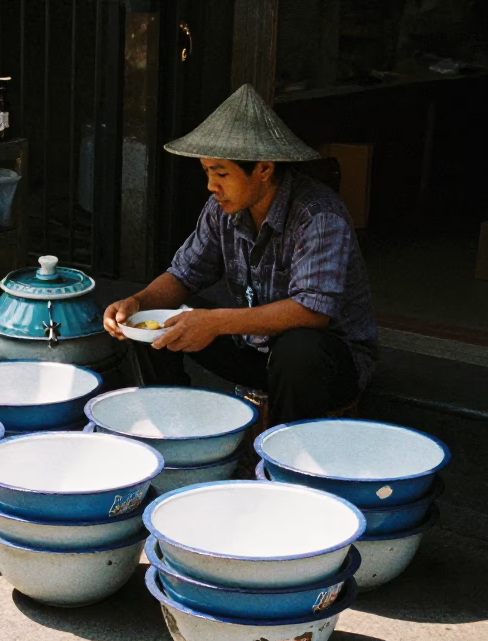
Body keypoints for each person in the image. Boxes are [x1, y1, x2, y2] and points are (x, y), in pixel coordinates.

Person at [104, 84, 378, 425]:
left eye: (221, 173)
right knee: (153, 324)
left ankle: (282, 458)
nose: (211, 185)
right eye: (206, 172)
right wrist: (137, 303)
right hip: (254, 349)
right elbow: (184, 274)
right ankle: (173, 428)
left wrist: (215, 322)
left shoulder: (318, 215)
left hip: (324, 366)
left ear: (263, 169)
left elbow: (312, 313)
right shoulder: (223, 208)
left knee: (298, 349)